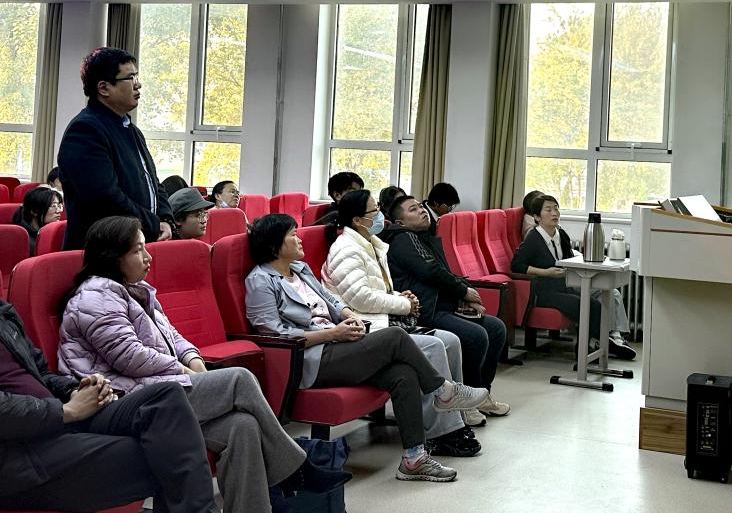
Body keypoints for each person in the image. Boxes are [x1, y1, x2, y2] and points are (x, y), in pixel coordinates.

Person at [57, 216, 341, 512]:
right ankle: (296, 468)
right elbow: (130, 357)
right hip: (125, 401)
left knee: (242, 427)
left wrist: (194, 360)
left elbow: (172, 336)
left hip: (156, 386)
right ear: (112, 257)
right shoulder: (96, 297)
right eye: (137, 250)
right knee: (240, 379)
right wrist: (181, 369)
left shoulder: (135, 289)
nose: (148, 257)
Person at [245, 213, 489, 482]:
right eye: (292, 234)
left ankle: (414, 459)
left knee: (403, 374)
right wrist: (332, 333)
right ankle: (443, 390)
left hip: (336, 344)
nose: (299, 238)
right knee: (395, 336)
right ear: (274, 245)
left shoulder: (300, 269)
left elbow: (330, 300)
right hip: (310, 358)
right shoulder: (260, 281)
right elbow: (274, 333)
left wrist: (349, 316)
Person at [0, 298, 218, 513]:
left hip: (56, 420)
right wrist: (66, 411)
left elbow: (41, 374)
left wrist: (75, 391)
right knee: (165, 453)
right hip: (19, 451)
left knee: (165, 397)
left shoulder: (4, 313)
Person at [322, 190, 480, 457]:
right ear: (358, 220)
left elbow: (377, 289)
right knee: (433, 346)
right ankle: (440, 432)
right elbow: (359, 297)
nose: (380, 216)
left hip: (382, 318)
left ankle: (456, 419)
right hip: (366, 324)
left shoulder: (372, 244)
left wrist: (399, 295)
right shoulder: (347, 249)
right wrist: (403, 304)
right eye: (374, 211)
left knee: (451, 341)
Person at [381, 196, 510, 424]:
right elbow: (430, 272)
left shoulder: (424, 238)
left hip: (444, 305)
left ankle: (482, 393)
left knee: (496, 328)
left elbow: (446, 273)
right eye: (413, 210)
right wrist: (464, 292)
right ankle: (467, 402)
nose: (422, 211)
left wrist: (466, 293)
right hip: (424, 310)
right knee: (476, 336)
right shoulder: (403, 239)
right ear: (400, 222)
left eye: (421, 206)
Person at [57, 48, 173, 249]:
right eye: (130, 78)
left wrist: (165, 217)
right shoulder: (85, 130)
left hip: (134, 243)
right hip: (104, 251)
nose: (138, 84)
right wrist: (153, 224)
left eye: (137, 76)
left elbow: (152, 182)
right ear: (103, 88)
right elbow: (105, 199)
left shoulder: (131, 129)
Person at [512, 194, 636, 360]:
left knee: (596, 303)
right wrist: (546, 272)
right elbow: (516, 265)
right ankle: (590, 348)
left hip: (565, 286)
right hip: (545, 292)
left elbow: (570, 258)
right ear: (537, 217)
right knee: (586, 305)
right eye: (548, 210)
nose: (554, 213)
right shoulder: (533, 238)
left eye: (556, 209)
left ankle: (593, 345)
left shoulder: (561, 234)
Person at [12, 185, 63, 255]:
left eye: (59, 205)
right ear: (34, 211)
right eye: (53, 206)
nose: (59, 211)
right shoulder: (22, 240)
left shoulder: (55, 232)